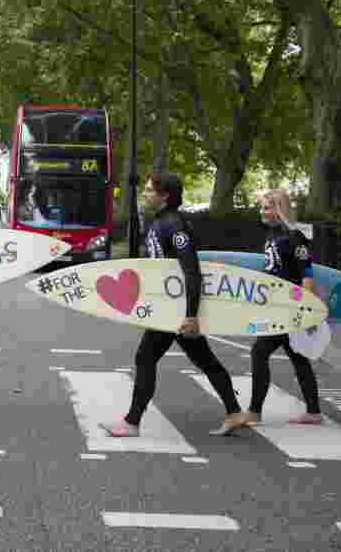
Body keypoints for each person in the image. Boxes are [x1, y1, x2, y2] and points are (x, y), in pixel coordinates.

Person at [101, 172, 249, 437]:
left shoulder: (175, 225)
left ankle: (132, 422)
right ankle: (234, 412)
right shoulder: (160, 221)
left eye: (149, 190)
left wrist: (190, 315)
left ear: (164, 196)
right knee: (204, 360)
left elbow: (192, 271)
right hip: (169, 309)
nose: (145, 194)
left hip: (176, 311)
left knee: (145, 357)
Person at [242, 189, 323, 426]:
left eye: (267, 207)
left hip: (288, 307)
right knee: (297, 357)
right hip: (274, 304)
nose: (262, 212)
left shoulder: (293, 236)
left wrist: (303, 310)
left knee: (260, 351)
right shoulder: (272, 235)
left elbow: (306, 274)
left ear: (278, 210)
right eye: (263, 207)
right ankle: (314, 411)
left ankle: (255, 412)